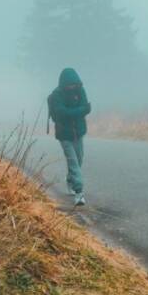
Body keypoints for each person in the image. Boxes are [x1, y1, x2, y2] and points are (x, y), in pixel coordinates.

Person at [47, 67, 91, 206]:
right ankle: (79, 192)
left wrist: (73, 112)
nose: (73, 86)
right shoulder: (56, 96)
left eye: (75, 84)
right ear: (64, 83)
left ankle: (70, 179)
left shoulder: (80, 90)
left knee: (79, 160)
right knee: (73, 162)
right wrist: (80, 111)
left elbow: (86, 108)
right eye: (70, 84)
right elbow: (62, 113)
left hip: (79, 133)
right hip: (64, 135)